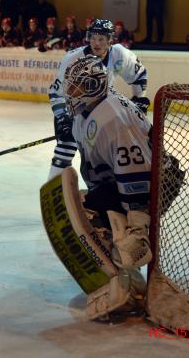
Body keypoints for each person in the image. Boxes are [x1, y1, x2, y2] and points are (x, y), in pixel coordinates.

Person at [58, 54, 156, 321]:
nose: (71, 93)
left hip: (152, 183)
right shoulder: (90, 110)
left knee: (92, 218)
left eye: (78, 87)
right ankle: (130, 283)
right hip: (126, 180)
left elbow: (136, 171)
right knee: (86, 209)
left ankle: (123, 284)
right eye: (71, 87)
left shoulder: (113, 119)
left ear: (94, 86)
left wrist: (137, 221)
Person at [47, 19, 149, 180]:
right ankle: (52, 186)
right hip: (75, 109)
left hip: (103, 110)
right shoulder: (73, 58)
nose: (96, 43)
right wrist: (63, 118)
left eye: (101, 39)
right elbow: (56, 92)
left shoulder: (119, 54)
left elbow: (139, 76)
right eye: (93, 38)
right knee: (66, 147)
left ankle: (106, 189)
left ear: (110, 40)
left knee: (104, 151)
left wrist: (138, 100)